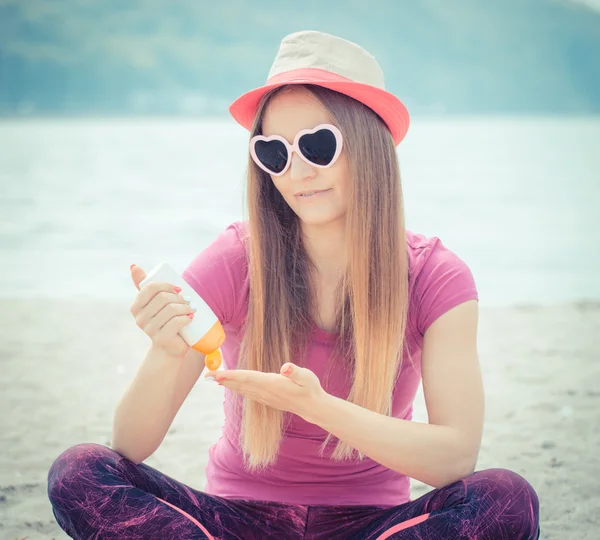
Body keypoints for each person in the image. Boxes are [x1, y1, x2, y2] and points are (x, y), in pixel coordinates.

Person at [47, 30, 540, 539]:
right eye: (274, 154)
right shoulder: (237, 258)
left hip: (372, 527)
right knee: (79, 471)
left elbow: (455, 459)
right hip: (236, 522)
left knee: (506, 498)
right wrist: (167, 350)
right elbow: (129, 444)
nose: (298, 171)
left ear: (370, 142)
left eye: (317, 144)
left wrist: (315, 406)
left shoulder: (437, 275)